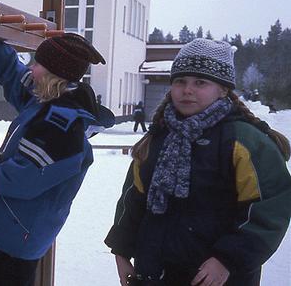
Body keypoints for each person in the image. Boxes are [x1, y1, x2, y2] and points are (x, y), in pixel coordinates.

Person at [105, 39, 291, 286]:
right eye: (180, 81)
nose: (187, 90)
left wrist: (227, 259)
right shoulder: (157, 138)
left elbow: (268, 209)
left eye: (200, 82)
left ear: (223, 90)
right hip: (153, 273)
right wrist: (121, 250)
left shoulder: (244, 141)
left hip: (217, 278)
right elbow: (133, 200)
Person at [0, 33, 113, 286]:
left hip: (15, 237)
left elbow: (22, 180)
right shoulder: (46, 101)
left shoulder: (60, 126)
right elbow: (17, 78)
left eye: (37, 64)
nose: (30, 68)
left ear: (52, 74)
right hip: (11, 226)